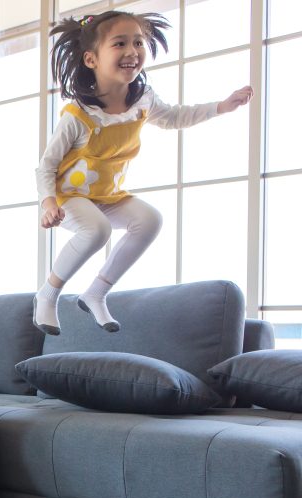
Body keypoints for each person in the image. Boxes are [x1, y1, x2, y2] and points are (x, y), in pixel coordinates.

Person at [33, 10, 253, 335]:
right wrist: (49, 203)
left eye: (138, 42)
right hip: (70, 197)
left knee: (150, 220)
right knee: (97, 230)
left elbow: (175, 117)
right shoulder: (78, 116)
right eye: (120, 43)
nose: (132, 51)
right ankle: (47, 295)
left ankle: (96, 292)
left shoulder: (142, 102)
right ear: (91, 59)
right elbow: (47, 165)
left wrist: (220, 107)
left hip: (108, 195)